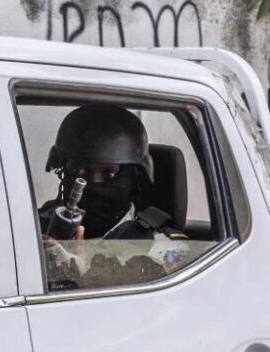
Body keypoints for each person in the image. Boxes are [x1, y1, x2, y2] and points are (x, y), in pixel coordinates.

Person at [39, 102, 189, 287]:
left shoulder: (161, 243)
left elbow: (171, 297)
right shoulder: (38, 224)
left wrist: (85, 273)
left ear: (135, 177)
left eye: (109, 173)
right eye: (80, 171)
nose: (93, 184)